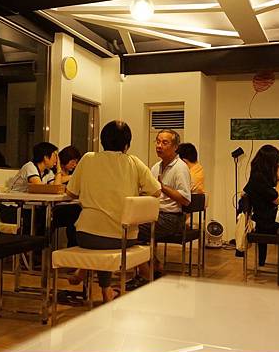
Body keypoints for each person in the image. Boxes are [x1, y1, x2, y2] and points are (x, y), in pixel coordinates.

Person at [66, 120, 161, 303]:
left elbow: (70, 193)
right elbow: (156, 191)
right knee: (110, 238)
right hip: (123, 236)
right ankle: (102, 288)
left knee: (101, 239)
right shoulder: (133, 162)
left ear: (102, 141)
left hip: (86, 235)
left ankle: (100, 286)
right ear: (127, 145)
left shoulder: (87, 158)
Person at [127, 129, 191, 290]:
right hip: (155, 214)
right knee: (129, 225)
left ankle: (146, 273)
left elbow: (185, 199)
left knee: (131, 231)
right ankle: (153, 266)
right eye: (157, 141)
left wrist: (163, 187)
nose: (159, 146)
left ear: (175, 147)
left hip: (172, 218)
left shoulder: (180, 168)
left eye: (164, 142)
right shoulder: (156, 167)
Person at [242, 145, 279, 266]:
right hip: (266, 223)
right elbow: (277, 198)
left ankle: (264, 262)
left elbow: (246, 192)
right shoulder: (259, 179)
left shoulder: (256, 177)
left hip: (263, 220)